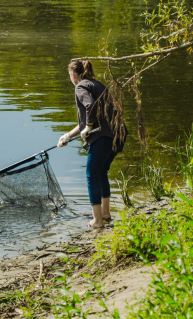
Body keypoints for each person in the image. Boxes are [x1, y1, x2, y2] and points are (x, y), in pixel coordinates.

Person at [57, 60, 127, 229]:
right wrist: (67, 136)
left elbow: (91, 106)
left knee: (91, 175)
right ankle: (105, 213)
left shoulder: (80, 86)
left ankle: (97, 221)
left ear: (73, 75)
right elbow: (89, 118)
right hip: (119, 135)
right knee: (101, 172)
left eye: (70, 76)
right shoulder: (96, 84)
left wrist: (89, 127)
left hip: (104, 138)